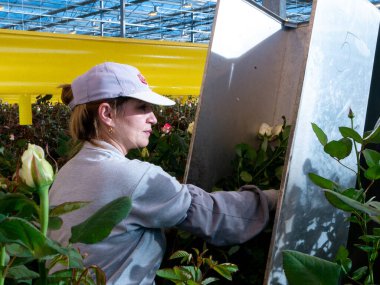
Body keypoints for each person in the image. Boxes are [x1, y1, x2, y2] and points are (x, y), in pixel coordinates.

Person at [48, 62, 278, 284]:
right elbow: (216, 216)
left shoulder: (64, 174)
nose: (154, 118)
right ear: (107, 113)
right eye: (142, 108)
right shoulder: (134, 177)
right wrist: (275, 198)